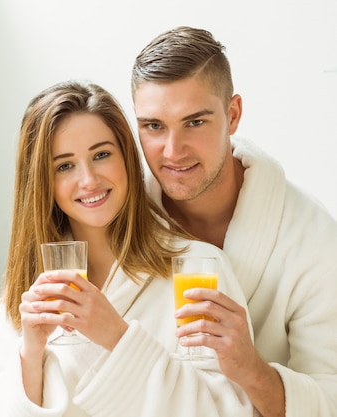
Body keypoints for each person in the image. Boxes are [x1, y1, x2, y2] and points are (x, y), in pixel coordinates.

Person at [0, 80, 255, 417]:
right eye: (64, 166)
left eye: (101, 154)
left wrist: (118, 338)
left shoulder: (197, 270)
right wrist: (31, 353)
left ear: (126, 157)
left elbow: (231, 410)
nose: (89, 179)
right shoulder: (31, 288)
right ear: (43, 183)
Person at [131, 26, 337, 417]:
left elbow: (332, 402)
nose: (173, 151)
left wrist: (249, 367)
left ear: (233, 114)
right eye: (154, 126)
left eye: (195, 122)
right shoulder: (121, 225)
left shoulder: (315, 239)